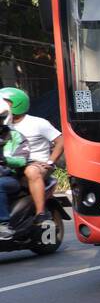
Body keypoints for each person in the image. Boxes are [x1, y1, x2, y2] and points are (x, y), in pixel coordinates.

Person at [0, 87, 56, 225]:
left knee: (30, 171)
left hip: (36, 164)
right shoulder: (8, 128)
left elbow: (60, 141)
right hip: (17, 167)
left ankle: (40, 213)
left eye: (8, 102)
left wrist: (50, 161)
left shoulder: (34, 124)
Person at [0, 101, 31, 241]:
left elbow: (22, 160)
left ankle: (3, 224)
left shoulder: (15, 136)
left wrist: (5, 159)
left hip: (11, 177)